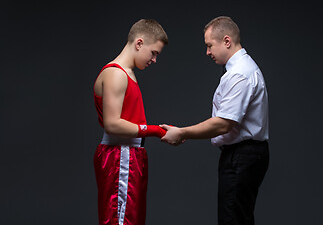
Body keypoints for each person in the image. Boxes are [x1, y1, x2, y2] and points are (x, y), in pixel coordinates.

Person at [161, 16, 269, 225]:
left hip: (242, 156)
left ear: (226, 41)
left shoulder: (240, 74)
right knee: (238, 218)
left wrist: (182, 132)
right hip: (244, 155)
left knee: (232, 220)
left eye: (210, 45)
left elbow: (223, 123)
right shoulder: (239, 70)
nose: (207, 52)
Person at [93, 19, 168, 225]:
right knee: (120, 221)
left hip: (129, 155)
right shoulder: (116, 74)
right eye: (153, 53)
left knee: (131, 220)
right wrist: (157, 131)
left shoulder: (128, 73)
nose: (154, 60)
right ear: (139, 43)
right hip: (120, 156)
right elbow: (112, 124)